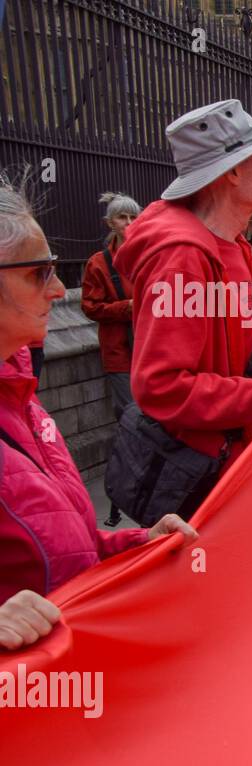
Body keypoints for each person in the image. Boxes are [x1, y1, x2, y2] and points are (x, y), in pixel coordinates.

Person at [0, 177, 197, 651]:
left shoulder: (20, 393)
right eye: (38, 273)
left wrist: (137, 542)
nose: (54, 292)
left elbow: (60, 540)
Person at [114, 99, 252, 483]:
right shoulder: (183, 255)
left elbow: (243, 358)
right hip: (212, 474)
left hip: (244, 456)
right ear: (231, 172)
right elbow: (162, 388)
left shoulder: (235, 245)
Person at [80, 191, 140, 527]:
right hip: (120, 352)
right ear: (110, 223)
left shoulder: (149, 256)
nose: (129, 224)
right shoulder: (98, 263)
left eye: (133, 218)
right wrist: (125, 308)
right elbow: (89, 307)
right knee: (131, 418)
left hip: (150, 348)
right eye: (122, 218)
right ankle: (123, 489)